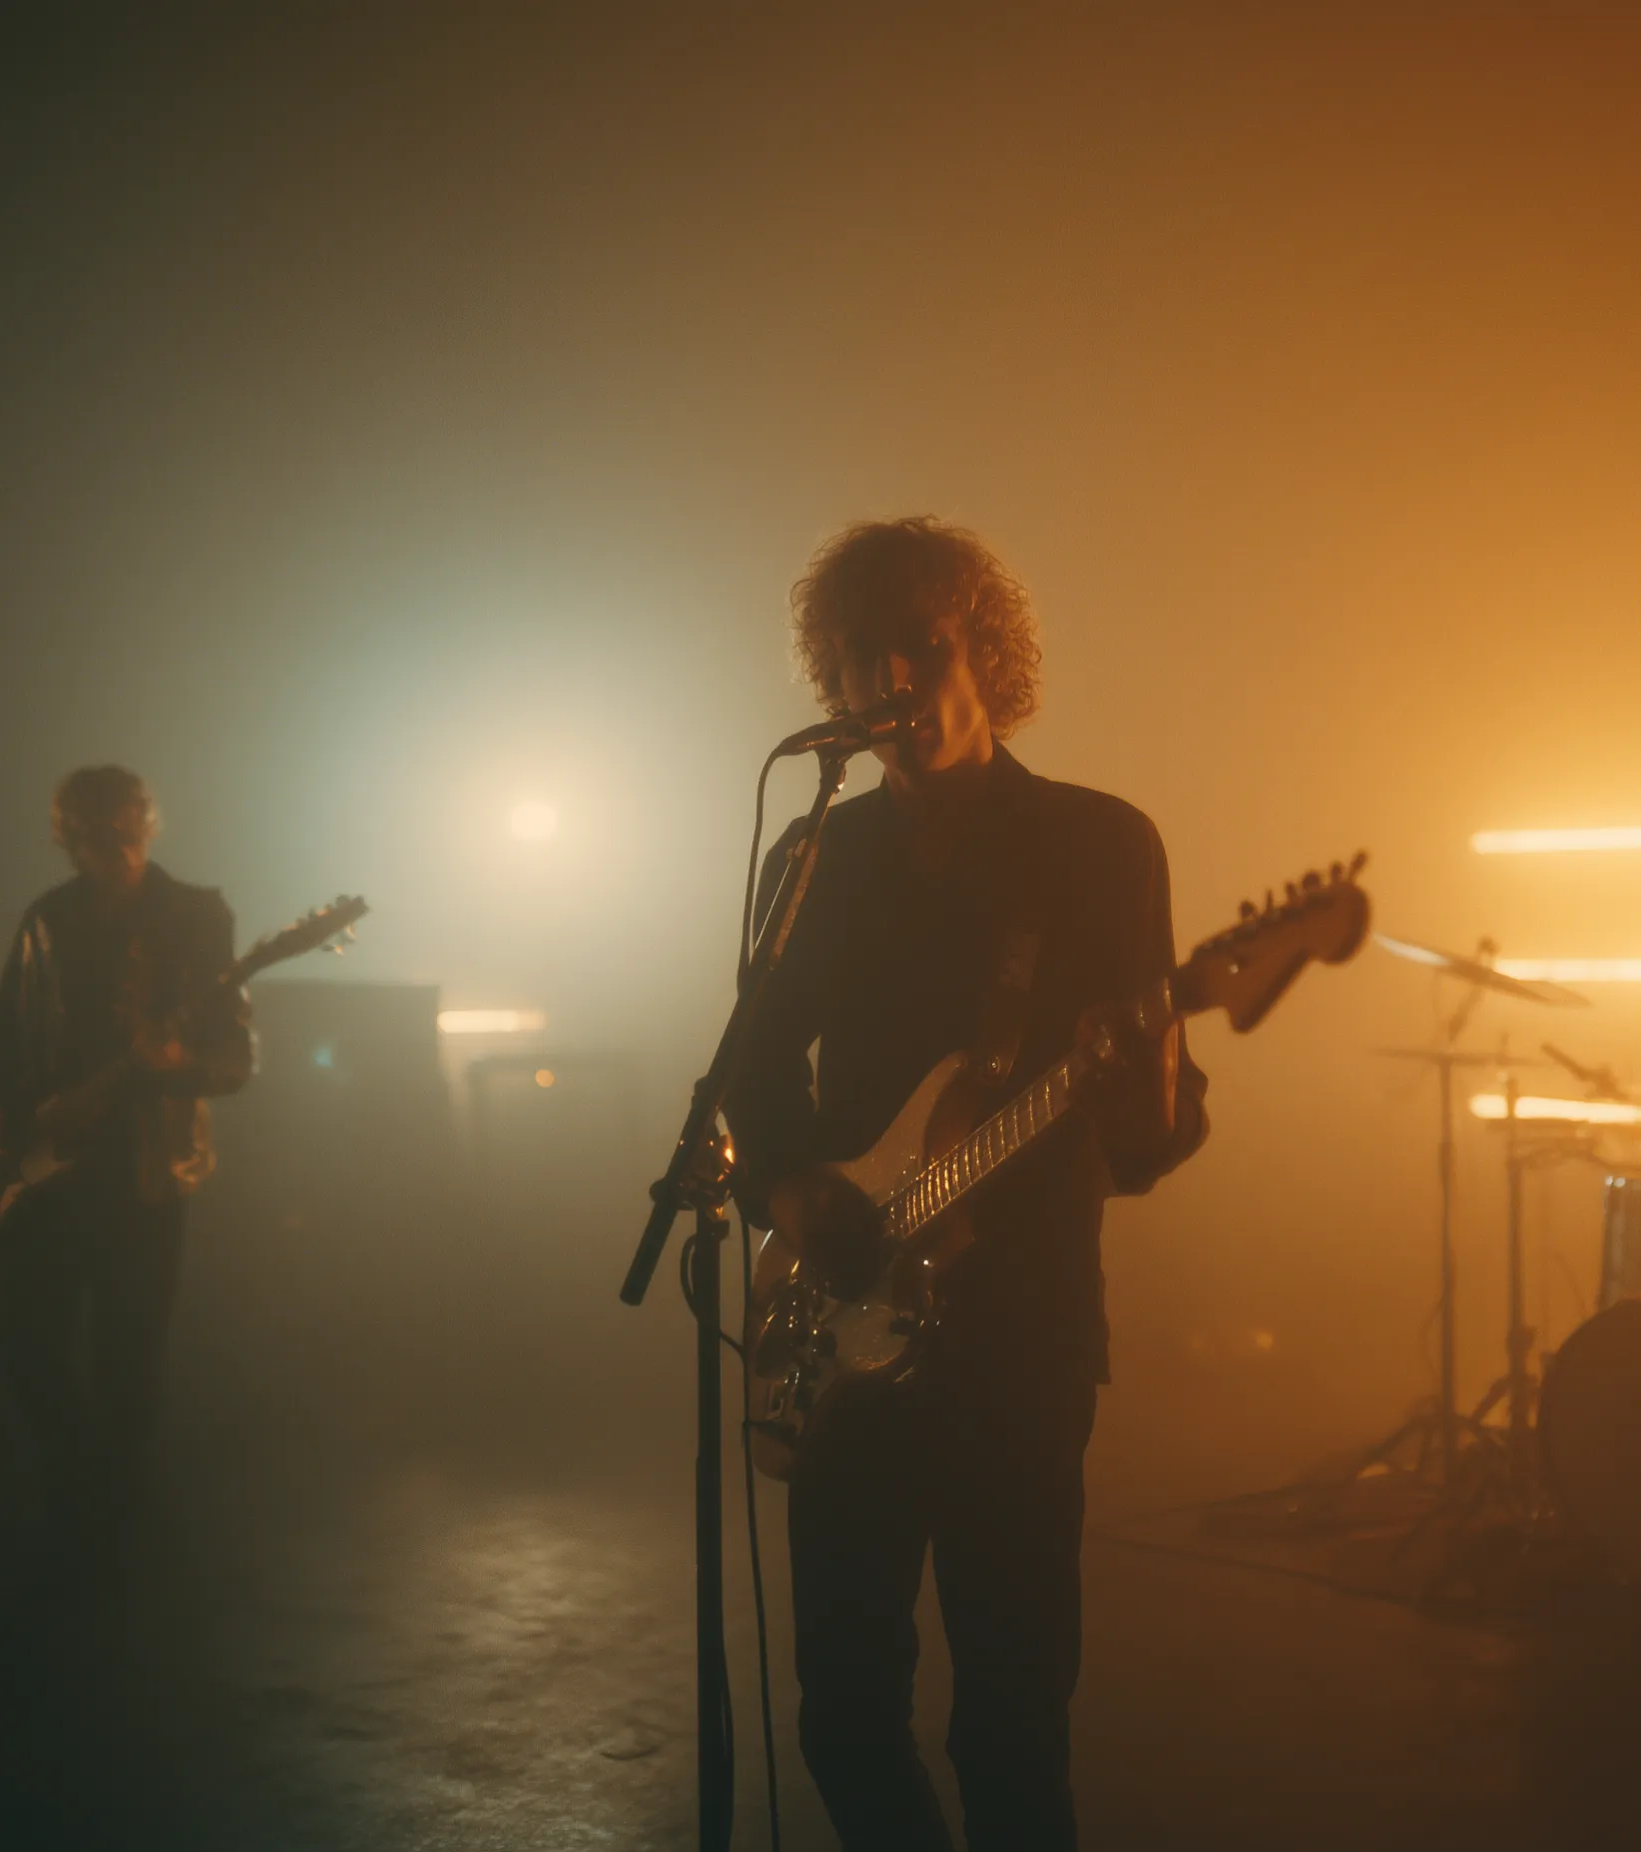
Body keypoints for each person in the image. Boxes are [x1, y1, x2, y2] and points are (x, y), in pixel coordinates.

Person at [726, 518, 1208, 1852]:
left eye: (920, 649)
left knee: (1007, 1726)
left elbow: (1151, 1142)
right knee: (842, 1720)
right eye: (856, 663)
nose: (891, 684)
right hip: (843, 1307)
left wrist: (1152, 1083)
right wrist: (797, 1198)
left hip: (1020, 1341)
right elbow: (755, 1075)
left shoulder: (1099, 846)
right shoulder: (815, 856)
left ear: (982, 651)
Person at [0, 766, 252, 1572]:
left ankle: (109, 1534)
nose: (112, 846)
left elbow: (233, 1058)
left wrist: (174, 1062)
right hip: (47, 1165)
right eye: (92, 832)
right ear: (68, 838)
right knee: (24, 1342)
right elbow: (6, 1029)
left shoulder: (196, 916)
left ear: (147, 824)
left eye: (124, 826)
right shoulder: (46, 919)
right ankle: (83, 1492)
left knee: (129, 1355)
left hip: (141, 1169)